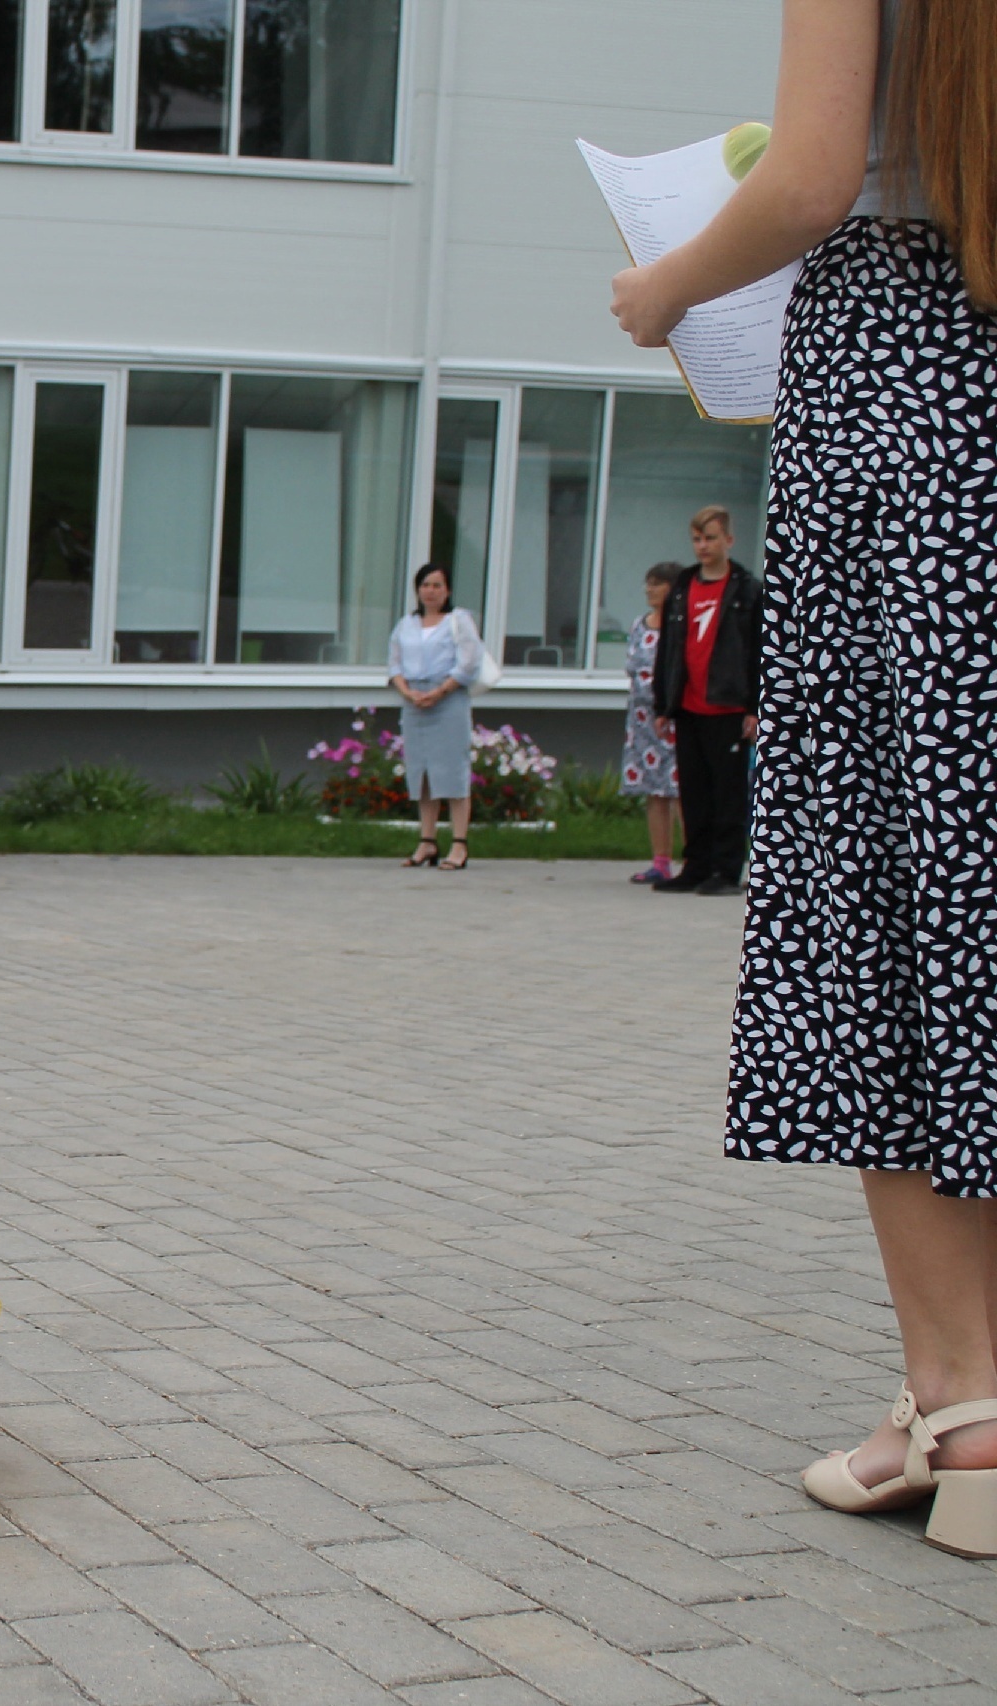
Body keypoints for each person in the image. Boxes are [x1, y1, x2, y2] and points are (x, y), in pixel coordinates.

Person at [611, 0, 997, 1556]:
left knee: (874, 892)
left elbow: (813, 179)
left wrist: (668, 286)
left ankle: (963, 1403)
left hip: (900, 398)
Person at [647, 506, 762, 896]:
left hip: (728, 706)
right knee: (692, 792)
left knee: (727, 793)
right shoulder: (682, 586)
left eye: (711, 538)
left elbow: (757, 650)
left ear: (728, 540)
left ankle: (727, 869)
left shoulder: (746, 589)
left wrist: (753, 706)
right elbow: (668, 647)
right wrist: (664, 703)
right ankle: (695, 866)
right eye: (697, 539)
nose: (703, 546)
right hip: (689, 704)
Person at [386, 564, 485, 871]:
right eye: (426, 585)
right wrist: (408, 693)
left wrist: (440, 692)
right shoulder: (406, 624)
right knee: (422, 772)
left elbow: (469, 663)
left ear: (448, 590)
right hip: (414, 702)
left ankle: (459, 844)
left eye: (437, 585)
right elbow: (394, 666)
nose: (431, 591)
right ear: (418, 590)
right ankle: (427, 841)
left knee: (452, 770)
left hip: (448, 699)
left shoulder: (458, 621)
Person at [621, 563, 687, 883]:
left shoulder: (682, 626)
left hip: (675, 717)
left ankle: (692, 859)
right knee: (653, 790)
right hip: (642, 719)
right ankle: (660, 860)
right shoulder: (639, 625)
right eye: (648, 583)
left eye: (658, 584)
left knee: (682, 790)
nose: (650, 589)